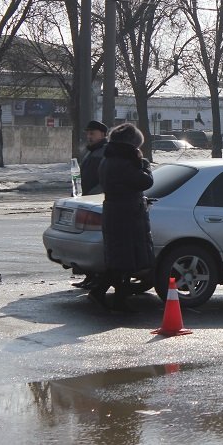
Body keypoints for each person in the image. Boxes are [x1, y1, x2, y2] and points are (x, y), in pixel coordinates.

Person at [88, 123, 154, 311]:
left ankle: (112, 296)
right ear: (131, 144)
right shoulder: (125, 162)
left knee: (120, 260)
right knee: (124, 260)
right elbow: (146, 181)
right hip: (126, 214)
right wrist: (145, 165)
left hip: (116, 212)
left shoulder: (109, 159)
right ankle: (111, 297)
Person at [71, 120, 108, 289]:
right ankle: (90, 277)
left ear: (102, 134)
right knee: (86, 242)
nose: (89, 136)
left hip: (95, 201)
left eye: (92, 133)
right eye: (88, 133)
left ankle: (97, 278)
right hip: (86, 199)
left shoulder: (104, 151)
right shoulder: (92, 151)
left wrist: (93, 195)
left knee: (95, 243)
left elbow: (104, 179)